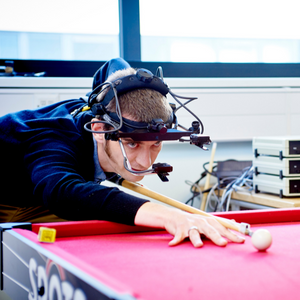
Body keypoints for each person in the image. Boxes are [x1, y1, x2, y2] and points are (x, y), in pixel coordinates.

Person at [0, 58, 245, 248]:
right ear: (99, 130)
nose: (144, 162)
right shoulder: (54, 138)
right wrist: (169, 216)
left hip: (33, 195)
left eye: (155, 145)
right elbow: (62, 192)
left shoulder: (112, 101)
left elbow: (114, 64)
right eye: (132, 144)